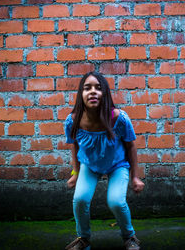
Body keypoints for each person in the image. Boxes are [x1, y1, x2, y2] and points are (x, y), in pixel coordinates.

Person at [64, 71, 145, 250]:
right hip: (90, 165)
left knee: (116, 201)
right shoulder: (73, 120)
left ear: (105, 94)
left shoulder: (119, 118)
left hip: (117, 165)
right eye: (87, 88)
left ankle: (129, 237)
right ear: (81, 94)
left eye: (98, 88)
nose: (93, 92)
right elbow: (75, 146)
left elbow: (131, 146)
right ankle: (83, 239)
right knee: (80, 199)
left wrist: (135, 177)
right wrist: (75, 173)